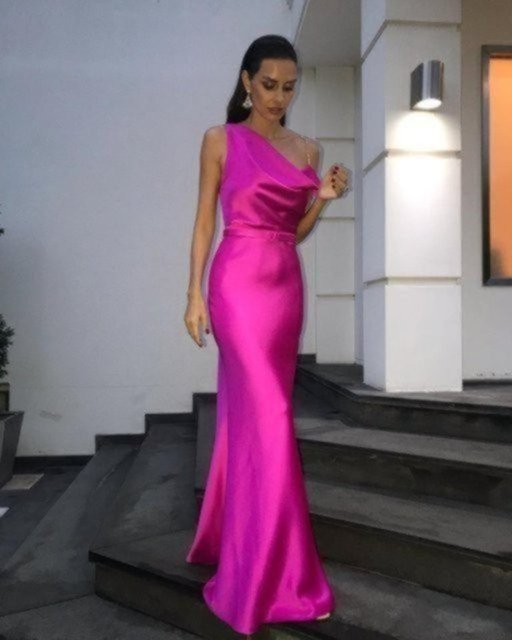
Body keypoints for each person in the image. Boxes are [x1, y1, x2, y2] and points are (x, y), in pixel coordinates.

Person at [183, 34, 350, 638]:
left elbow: (293, 230)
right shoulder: (220, 140)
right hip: (235, 285)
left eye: (289, 87)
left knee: (254, 418)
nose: (279, 97)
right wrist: (194, 293)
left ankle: (232, 537)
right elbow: (206, 221)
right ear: (247, 81)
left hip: (284, 287)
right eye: (269, 84)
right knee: (273, 416)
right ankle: (280, 574)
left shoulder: (308, 149)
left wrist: (321, 198)